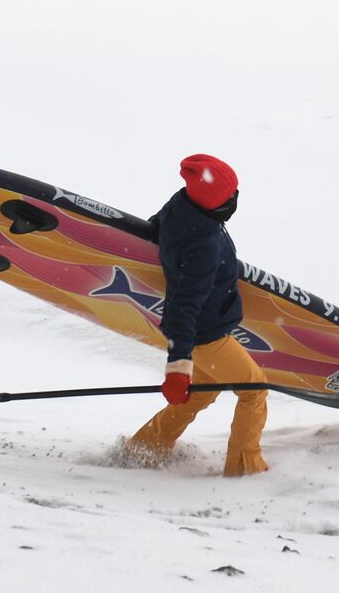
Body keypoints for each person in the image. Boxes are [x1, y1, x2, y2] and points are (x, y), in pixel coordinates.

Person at [124, 154, 270, 476]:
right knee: (254, 390)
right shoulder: (203, 244)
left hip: (207, 328)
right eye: (230, 196)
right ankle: (245, 467)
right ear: (217, 204)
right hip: (207, 335)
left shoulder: (181, 206)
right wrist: (178, 366)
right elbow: (183, 305)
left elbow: (157, 229)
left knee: (205, 390)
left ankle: (145, 447)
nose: (234, 200)